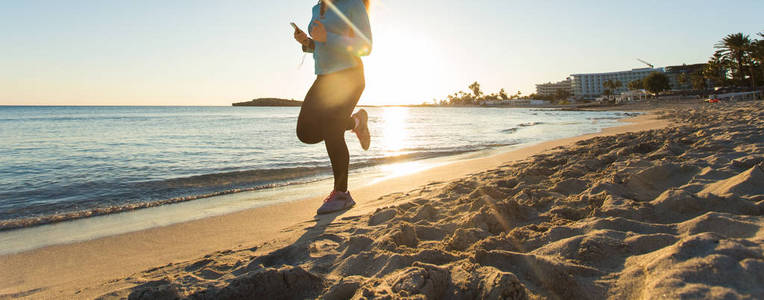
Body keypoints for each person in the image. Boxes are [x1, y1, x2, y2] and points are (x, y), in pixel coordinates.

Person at [293, 0, 372, 214]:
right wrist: (307, 42)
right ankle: (356, 122)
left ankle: (341, 194)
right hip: (325, 77)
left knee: (331, 130)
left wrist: (327, 37)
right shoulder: (316, 8)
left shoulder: (352, 4)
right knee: (305, 132)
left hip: (349, 75)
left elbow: (366, 46)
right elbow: (322, 47)